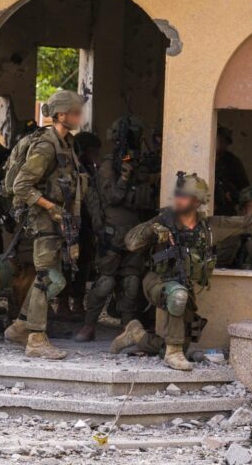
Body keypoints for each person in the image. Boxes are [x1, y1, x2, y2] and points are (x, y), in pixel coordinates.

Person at [109, 172, 252, 370]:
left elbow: (246, 222)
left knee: (183, 340)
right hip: (156, 281)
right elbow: (131, 242)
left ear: (197, 201)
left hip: (183, 285)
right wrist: (152, 230)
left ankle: (138, 335)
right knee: (177, 296)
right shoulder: (164, 220)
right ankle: (173, 354)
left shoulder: (208, 228)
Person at [3, 90, 86, 360]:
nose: (80, 117)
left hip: (58, 220)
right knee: (45, 278)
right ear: (61, 115)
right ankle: (36, 339)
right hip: (44, 220)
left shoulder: (66, 144)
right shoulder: (46, 146)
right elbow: (21, 186)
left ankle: (20, 327)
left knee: (56, 280)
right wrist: (51, 208)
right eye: (75, 113)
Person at [74, 117, 156, 342]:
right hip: (111, 235)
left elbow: (146, 200)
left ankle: (126, 329)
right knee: (105, 282)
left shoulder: (138, 164)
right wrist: (124, 180)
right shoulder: (109, 166)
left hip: (135, 234)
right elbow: (112, 197)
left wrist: (138, 181)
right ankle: (89, 325)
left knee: (131, 282)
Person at [55, 131, 102, 320]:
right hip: (70, 222)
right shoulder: (70, 170)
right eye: (93, 152)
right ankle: (63, 303)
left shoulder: (91, 170)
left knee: (84, 263)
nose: (95, 156)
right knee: (66, 263)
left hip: (86, 225)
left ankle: (77, 302)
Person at [214, 126, 249, 216]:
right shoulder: (204, 158)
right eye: (220, 140)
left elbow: (244, 188)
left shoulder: (232, 161)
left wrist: (233, 195)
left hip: (225, 210)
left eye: (224, 142)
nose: (222, 144)